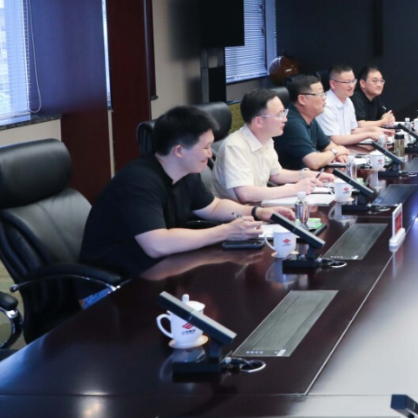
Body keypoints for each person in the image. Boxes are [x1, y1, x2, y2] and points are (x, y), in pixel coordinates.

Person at [79, 105, 294, 288]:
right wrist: (226, 231)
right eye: (206, 147)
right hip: (111, 286)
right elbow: (157, 244)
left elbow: (213, 207)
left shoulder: (186, 173)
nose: (210, 154)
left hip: (156, 272)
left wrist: (258, 212)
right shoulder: (138, 182)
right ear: (179, 151)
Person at [213, 88, 335, 203]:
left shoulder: (266, 138)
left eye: (284, 112)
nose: (285, 119)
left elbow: (276, 174)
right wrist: (295, 189)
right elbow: (245, 193)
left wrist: (312, 175)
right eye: (280, 114)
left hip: (261, 206)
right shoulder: (234, 146)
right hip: (238, 214)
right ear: (259, 121)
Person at [273, 75, 352, 170]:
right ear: (302, 99)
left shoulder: (308, 116)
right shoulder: (292, 123)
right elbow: (313, 162)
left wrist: (339, 154)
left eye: (324, 93)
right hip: (293, 177)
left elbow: (328, 145)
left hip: (309, 175)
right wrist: (336, 152)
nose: (324, 98)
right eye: (320, 94)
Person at [316, 64, 396, 146]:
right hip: (332, 151)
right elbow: (336, 140)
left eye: (353, 81)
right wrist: (369, 134)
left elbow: (352, 131)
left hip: (347, 149)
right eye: (347, 82)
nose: (351, 86)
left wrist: (374, 130)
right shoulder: (325, 104)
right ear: (333, 84)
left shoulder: (348, 101)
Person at [354, 66, 395, 130]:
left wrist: (389, 118)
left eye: (381, 81)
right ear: (362, 83)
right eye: (375, 81)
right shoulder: (356, 97)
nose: (379, 85)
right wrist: (384, 121)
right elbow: (361, 125)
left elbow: (384, 115)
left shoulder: (375, 97)